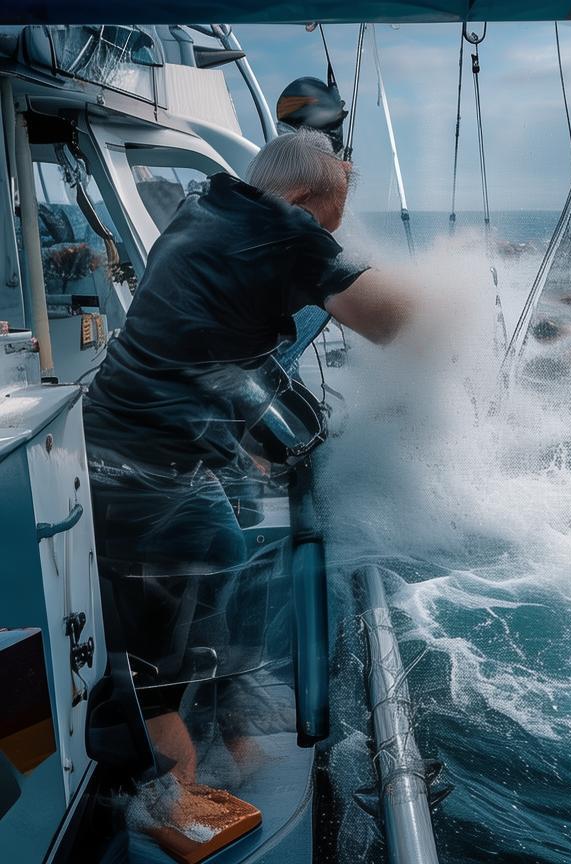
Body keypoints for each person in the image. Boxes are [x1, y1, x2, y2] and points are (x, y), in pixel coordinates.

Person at [84, 128, 411, 805]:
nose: (332, 234)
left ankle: (235, 739)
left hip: (140, 456)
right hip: (144, 478)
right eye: (331, 217)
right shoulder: (284, 231)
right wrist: (459, 311)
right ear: (297, 199)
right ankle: (170, 803)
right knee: (156, 671)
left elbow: (216, 337)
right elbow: (391, 322)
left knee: (228, 556)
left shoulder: (205, 209)